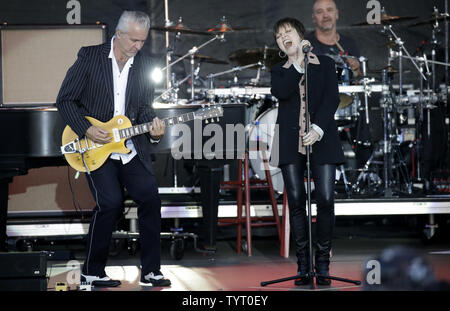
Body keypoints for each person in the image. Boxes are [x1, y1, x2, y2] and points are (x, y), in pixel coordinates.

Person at [56, 11, 171, 287]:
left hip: (128, 148)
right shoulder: (90, 57)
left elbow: (144, 110)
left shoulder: (143, 65)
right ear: (118, 34)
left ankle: (151, 271)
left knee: (150, 197)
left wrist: (154, 132)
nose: (137, 47)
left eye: (142, 41)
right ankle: (92, 271)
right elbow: (65, 100)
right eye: (133, 40)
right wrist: (86, 129)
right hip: (95, 146)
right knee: (109, 203)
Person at [271, 17, 345, 286]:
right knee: (297, 201)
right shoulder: (279, 71)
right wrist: (298, 65)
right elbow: (282, 92)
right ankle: (303, 264)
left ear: (301, 36)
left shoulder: (325, 64)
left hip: (321, 138)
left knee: (325, 198)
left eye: (288, 32)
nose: (284, 37)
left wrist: (319, 128)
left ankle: (322, 262)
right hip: (290, 141)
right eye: (279, 36)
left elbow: (332, 98)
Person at [306, 0, 361, 79]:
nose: (325, 15)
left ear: (337, 14)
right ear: (314, 18)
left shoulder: (349, 43)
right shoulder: (305, 44)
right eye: (319, 12)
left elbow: (359, 79)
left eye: (329, 10)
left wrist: (356, 69)